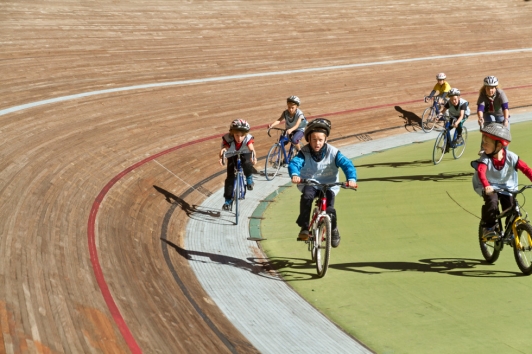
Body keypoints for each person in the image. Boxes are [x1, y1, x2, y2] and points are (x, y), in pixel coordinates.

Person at [288, 118, 357, 248]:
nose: (317, 143)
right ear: (308, 140)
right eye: (314, 140)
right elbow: (294, 163)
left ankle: (334, 229)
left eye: (320, 140)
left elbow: (347, 165)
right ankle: (304, 227)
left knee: (330, 209)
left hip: (329, 184)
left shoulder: (334, 152)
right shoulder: (304, 152)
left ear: (326, 139)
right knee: (307, 197)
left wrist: (351, 179)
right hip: (310, 183)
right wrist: (295, 174)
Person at [471, 123, 532, 239]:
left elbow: (526, 169)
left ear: (498, 145)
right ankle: (489, 228)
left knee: (511, 206)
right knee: (492, 202)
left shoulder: (511, 157)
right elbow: (481, 172)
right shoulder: (485, 158)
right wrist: (486, 185)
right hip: (489, 186)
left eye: (486, 143)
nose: (483, 145)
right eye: (483, 142)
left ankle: (512, 229)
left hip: (506, 187)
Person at [219, 119, 257, 210]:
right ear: (232, 134)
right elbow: (225, 147)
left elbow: (251, 149)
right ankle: (228, 201)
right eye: (236, 135)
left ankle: (249, 179)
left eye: (242, 136)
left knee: (247, 163)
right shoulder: (228, 138)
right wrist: (222, 155)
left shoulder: (248, 138)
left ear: (246, 134)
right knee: (230, 178)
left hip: (245, 152)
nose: (239, 138)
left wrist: (254, 157)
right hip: (232, 154)